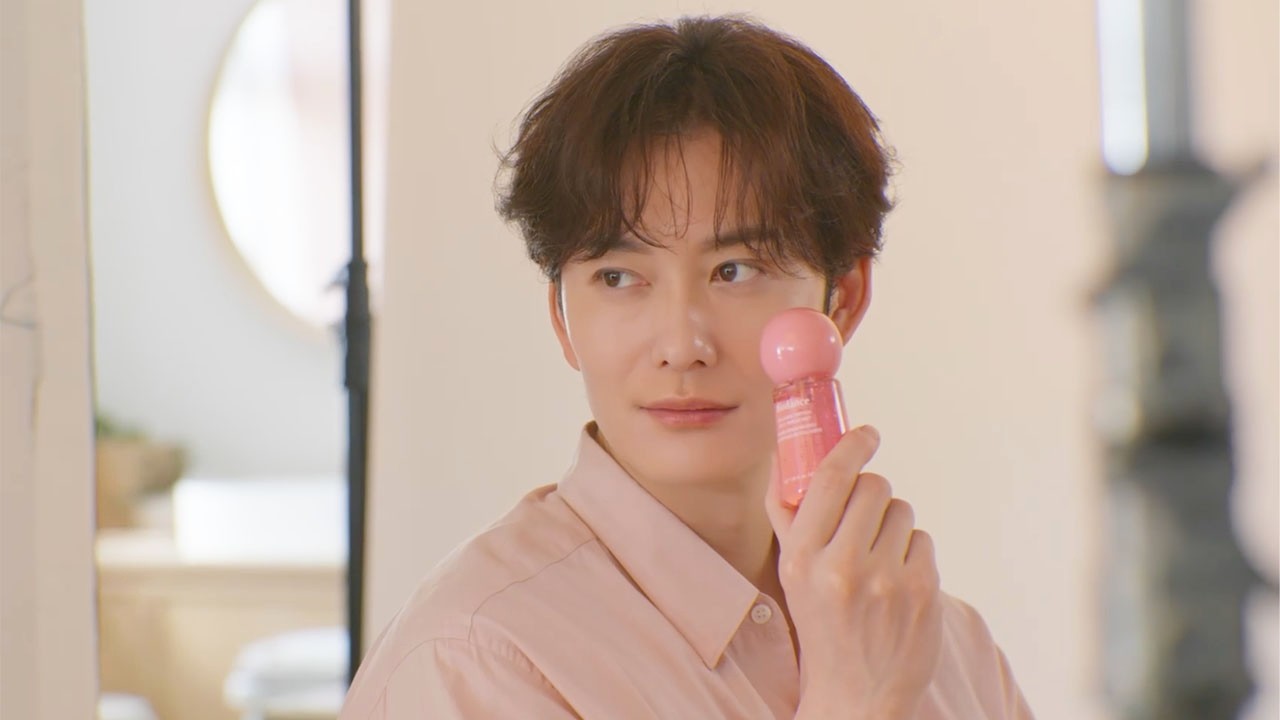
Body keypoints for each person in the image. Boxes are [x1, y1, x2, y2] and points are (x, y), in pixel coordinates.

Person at [340, 15, 1034, 719]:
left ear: (843, 300)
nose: (681, 345)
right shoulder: (475, 661)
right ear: (562, 318)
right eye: (618, 278)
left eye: (735, 270)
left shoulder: (944, 645)